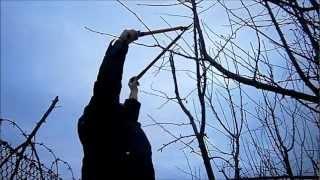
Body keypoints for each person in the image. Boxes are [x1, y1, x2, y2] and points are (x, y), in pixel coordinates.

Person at [78, 30, 155, 180]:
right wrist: (121, 44)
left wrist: (133, 90)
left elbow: (130, 114)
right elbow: (108, 83)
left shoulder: (124, 127)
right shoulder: (101, 126)